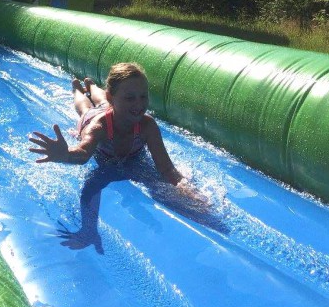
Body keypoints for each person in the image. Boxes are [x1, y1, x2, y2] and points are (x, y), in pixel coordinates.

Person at [30, 63, 217, 252]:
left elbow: (166, 168)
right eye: (130, 98)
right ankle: (78, 89)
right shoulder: (98, 128)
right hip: (93, 117)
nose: (139, 104)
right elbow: (84, 153)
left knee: (101, 102)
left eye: (143, 96)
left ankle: (92, 86)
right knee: (84, 108)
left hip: (109, 106)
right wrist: (66, 154)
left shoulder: (147, 126)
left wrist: (186, 189)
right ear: (113, 97)